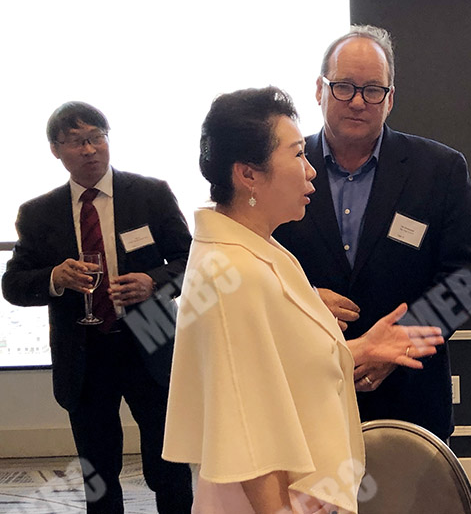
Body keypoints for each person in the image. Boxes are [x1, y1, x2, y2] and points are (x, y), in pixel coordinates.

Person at [162, 86, 444, 514]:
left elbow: (280, 372)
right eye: (297, 155)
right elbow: (249, 433)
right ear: (248, 174)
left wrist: (357, 350)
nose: (311, 171)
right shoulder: (232, 273)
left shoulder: (257, 248)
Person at [273, 25, 471, 441]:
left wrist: (399, 343)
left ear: (390, 98)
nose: (357, 101)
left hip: (409, 395)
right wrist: (302, 299)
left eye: (372, 90)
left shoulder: (439, 170)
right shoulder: (281, 169)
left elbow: (467, 276)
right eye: (343, 87)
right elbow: (255, 264)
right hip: (303, 392)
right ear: (319, 89)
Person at [1, 102, 193, 512]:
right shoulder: (38, 214)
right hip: (85, 351)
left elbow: (191, 260)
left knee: (169, 461)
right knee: (98, 470)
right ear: (56, 149)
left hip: (151, 340)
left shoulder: (151, 194)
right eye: (76, 141)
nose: (89, 150)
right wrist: (55, 277)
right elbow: (13, 285)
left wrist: (153, 281)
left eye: (96, 138)